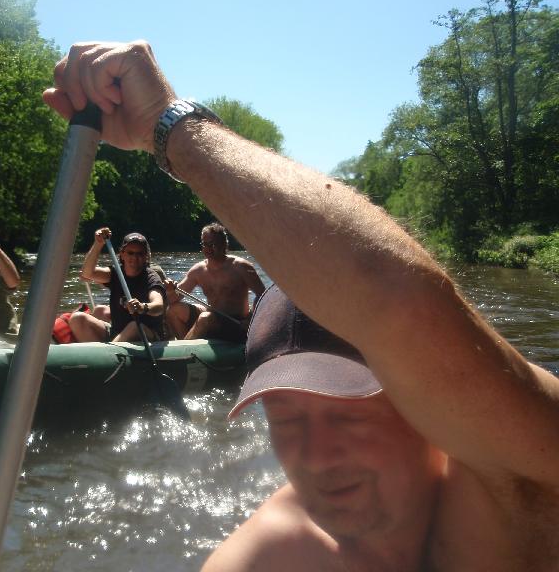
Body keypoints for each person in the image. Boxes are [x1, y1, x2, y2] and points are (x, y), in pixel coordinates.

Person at [43, 41, 559, 571]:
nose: (316, 457)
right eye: (286, 419)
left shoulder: (524, 486)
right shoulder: (273, 552)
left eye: (347, 415)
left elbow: (399, 302)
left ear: (425, 398)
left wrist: (168, 126)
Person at [164, 222, 265, 341]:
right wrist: (170, 291)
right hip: (213, 316)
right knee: (173, 310)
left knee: (205, 318)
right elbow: (174, 299)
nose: (208, 248)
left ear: (224, 244)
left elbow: (262, 295)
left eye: (212, 244)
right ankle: (187, 345)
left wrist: (251, 319)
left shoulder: (241, 267)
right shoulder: (198, 270)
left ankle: (184, 349)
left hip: (237, 322)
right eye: (204, 244)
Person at [68, 227, 166, 342]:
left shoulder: (151, 277)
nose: (135, 257)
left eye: (140, 253)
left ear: (146, 256)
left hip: (148, 335)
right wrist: (98, 244)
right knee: (77, 318)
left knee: (133, 327)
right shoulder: (115, 273)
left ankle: (107, 352)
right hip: (117, 332)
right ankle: (102, 350)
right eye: (130, 253)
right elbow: (87, 273)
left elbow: (158, 306)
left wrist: (142, 307)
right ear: (122, 254)